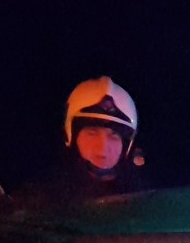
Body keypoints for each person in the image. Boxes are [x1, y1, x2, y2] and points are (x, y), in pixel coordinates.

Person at [12, 76, 146, 207]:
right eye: (92, 133)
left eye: (114, 135)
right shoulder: (39, 201)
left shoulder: (143, 199)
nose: (103, 148)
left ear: (127, 145)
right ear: (71, 135)